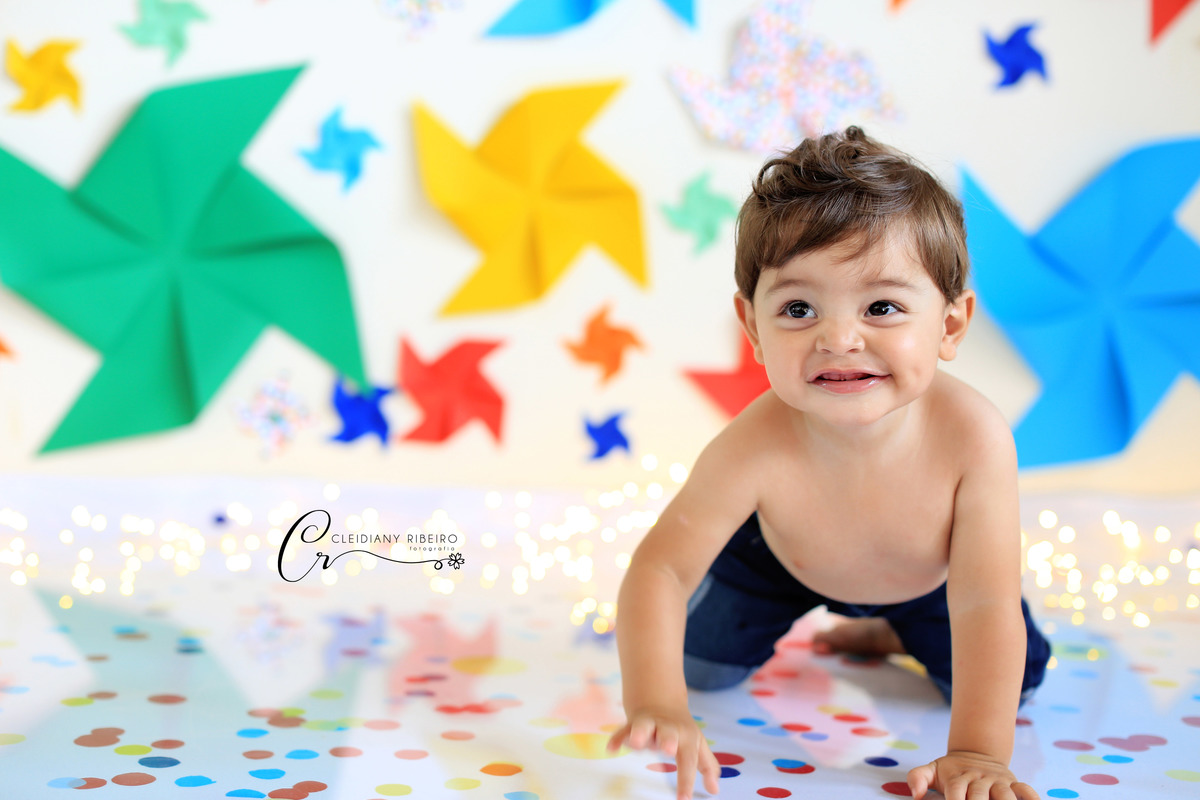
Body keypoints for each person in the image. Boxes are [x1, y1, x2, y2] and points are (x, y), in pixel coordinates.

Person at [606, 126, 1050, 800]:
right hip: (777, 561)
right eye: (798, 308)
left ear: (951, 326)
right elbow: (661, 567)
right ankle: (854, 623)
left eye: (881, 306)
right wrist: (658, 701)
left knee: (1016, 680)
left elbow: (985, 599)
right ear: (752, 327)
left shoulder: (976, 438)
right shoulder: (755, 442)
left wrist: (977, 751)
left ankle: (883, 625)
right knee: (699, 666)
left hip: (931, 581)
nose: (839, 338)